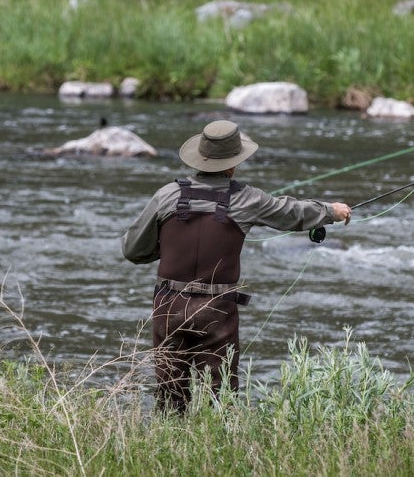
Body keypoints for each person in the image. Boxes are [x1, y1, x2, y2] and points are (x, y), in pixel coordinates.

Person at [122, 119, 351, 413]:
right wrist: (330, 211)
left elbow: (132, 250)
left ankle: (170, 449)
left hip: (169, 306)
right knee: (221, 400)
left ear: (199, 159)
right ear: (233, 164)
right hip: (217, 310)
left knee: (170, 397)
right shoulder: (247, 199)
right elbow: (291, 212)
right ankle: (213, 450)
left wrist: (167, 247)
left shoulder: (167, 195)